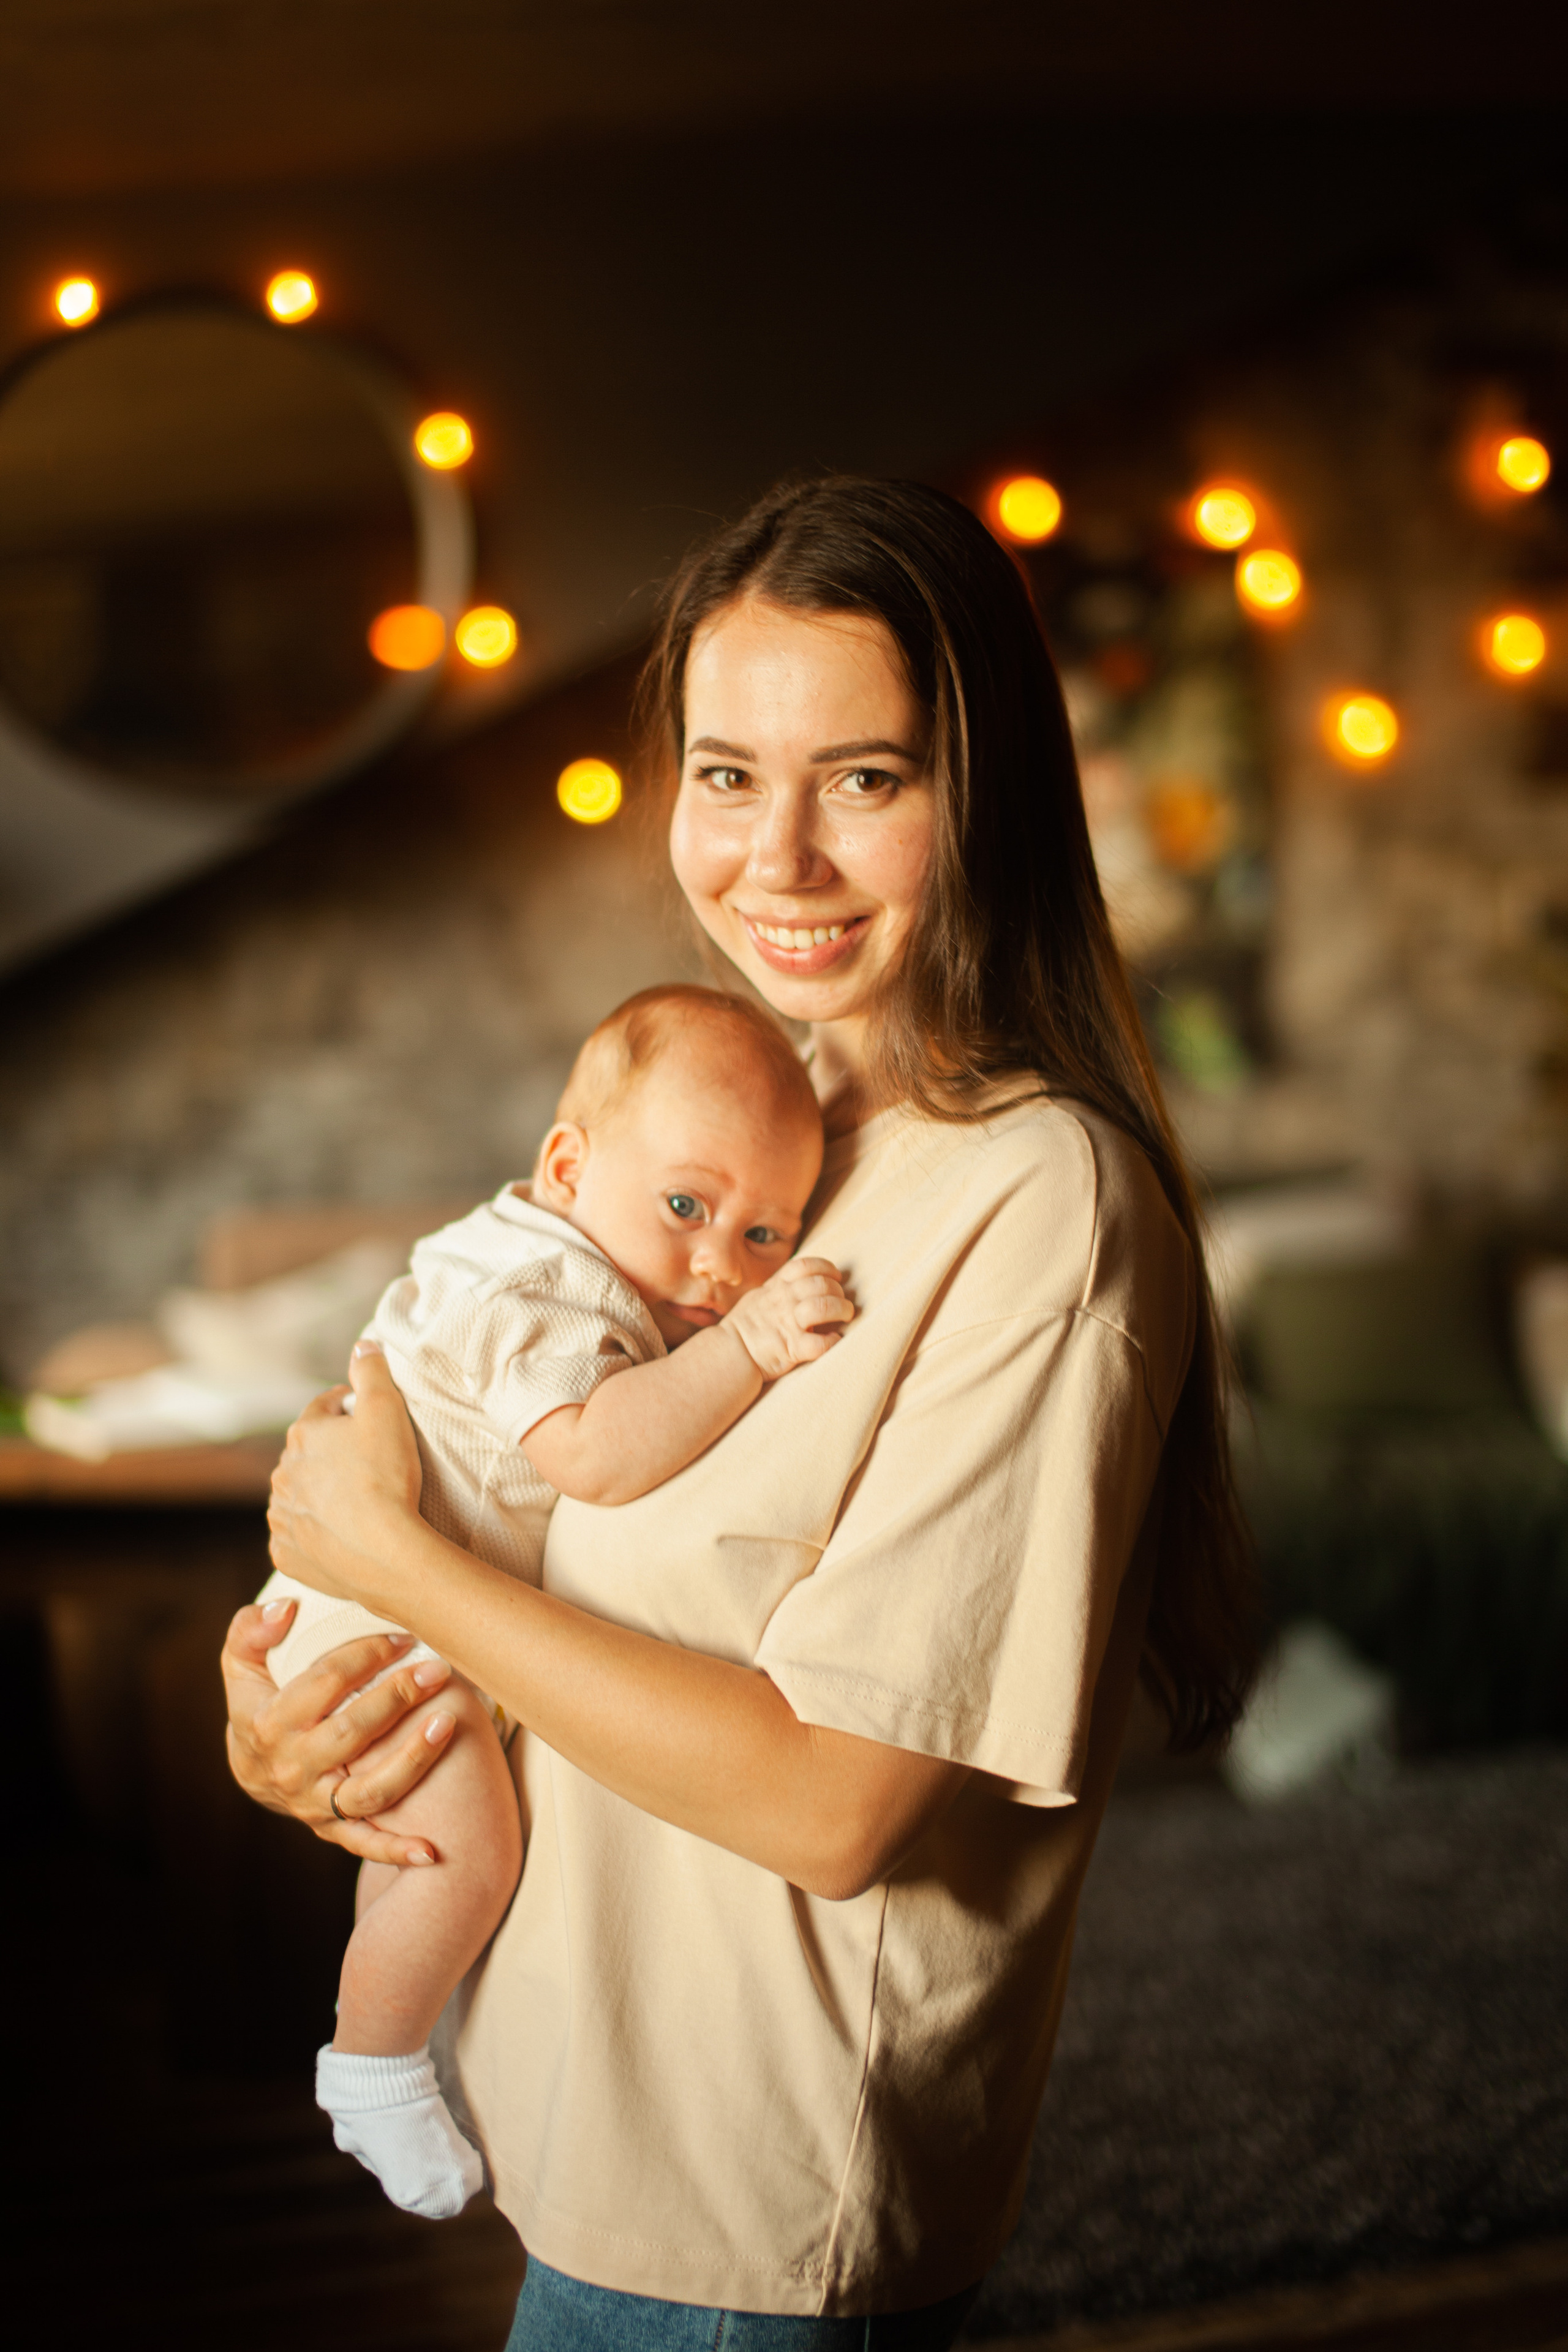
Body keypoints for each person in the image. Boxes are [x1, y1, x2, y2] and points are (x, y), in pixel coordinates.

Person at [225, 475, 1255, 2351]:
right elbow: (516, 1531)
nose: (777, 857)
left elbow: (831, 1802)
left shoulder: (1041, 1202)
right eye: (725, 774)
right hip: (576, 2148)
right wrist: (310, 1712)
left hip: (750, 2226)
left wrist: (384, 1558)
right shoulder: (738, 1148)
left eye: (866, 777)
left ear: (988, 794)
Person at [256, 985, 850, 2218]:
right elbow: (591, 1452)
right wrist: (747, 1351)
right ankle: (369, 2069)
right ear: (568, 1164)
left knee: (421, 1852)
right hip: (382, 1620)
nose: (716, 1267)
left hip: (384, 1607)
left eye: (765, 1236)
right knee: (468, 1860)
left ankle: (399, 2039)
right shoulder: (549, 1289)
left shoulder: (543, 1246)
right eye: (686, 1205)